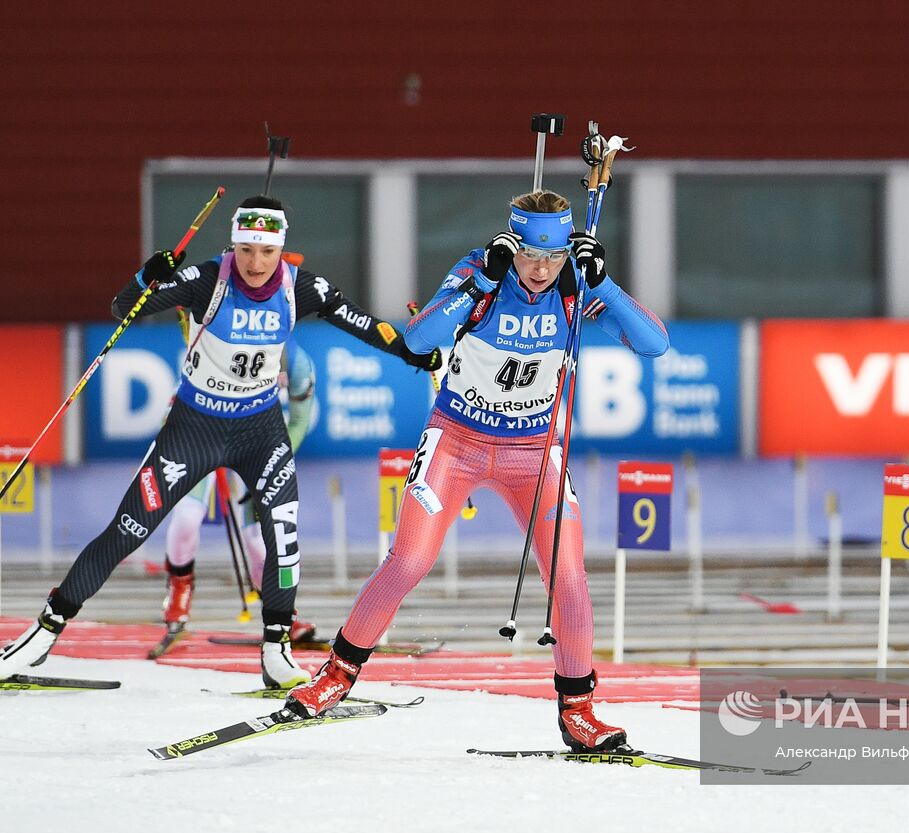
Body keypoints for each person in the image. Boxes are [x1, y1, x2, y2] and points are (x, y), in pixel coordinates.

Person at [0, 196, 440, 687]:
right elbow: (126, 307)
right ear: (234, 244)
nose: (255, 263)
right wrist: (151, 275)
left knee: (282, 537)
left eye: (266, 252)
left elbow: (363, 324)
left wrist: (411, 351)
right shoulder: (208, 280)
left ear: (282, 251)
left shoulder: (302, 289)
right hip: (193, 429)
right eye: (247, 249)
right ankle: (42, 633)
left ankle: (276, 648)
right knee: (128, 531)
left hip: (260, 432)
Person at [286, 190, 669, 752]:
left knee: (569, 577)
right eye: (530, 257)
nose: (540, 270)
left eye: (554, 257)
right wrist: (480, 285)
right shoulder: (479, 273)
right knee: (410, 560)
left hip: (534, 451)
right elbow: (419, 340)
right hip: (456, 441)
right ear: (511, 247)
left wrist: (603, 283)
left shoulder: (573, 289)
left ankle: (579, 710)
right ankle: (336, 677)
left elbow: (655, 344)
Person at [159, 333, 318, 642]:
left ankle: (280, 613)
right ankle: (179, 590)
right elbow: (175, 408)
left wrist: (276, 462)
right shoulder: (222, 339)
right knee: (188, 515)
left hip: (255, 444)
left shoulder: (297, 362)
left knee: (259, 537)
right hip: (201, 435)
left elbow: (299, 422)